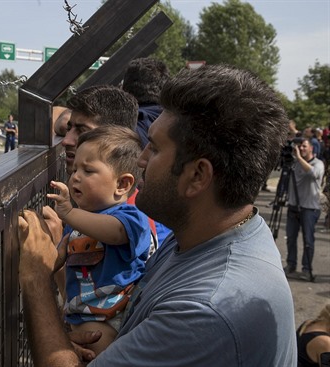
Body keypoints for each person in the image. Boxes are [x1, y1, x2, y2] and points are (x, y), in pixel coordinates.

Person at [17, 65, 296, 366]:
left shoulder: (206, 310)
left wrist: (35, 279)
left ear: (197, 175)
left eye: (156, 147)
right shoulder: (199, 234)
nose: (141, 158)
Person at [48, 125, 150, 355]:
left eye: (88, 171)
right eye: (75, 170)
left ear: (122, 184)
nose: (75, 177)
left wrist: (69, 213)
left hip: (109, 316)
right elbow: (63, 264)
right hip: (79, 312)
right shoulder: (79, 220)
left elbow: (114, 232)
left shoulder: (130, 217)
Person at [121, 57, 172, 245]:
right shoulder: (180, 124)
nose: (142, 160)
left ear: (124, 89)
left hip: (131, 227)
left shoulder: (125, 127)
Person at [284, 137, 325, 281]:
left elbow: (313, 174)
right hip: (293, 206)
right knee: (290, 238)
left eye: (304, 146)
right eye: (299, 146)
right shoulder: (294, 163)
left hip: (309, 208)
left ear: (311, 148)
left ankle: (307, 269)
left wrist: (299, 158)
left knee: (308, 240)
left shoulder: (318, 163)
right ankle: (291, 264)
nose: (301, 148)